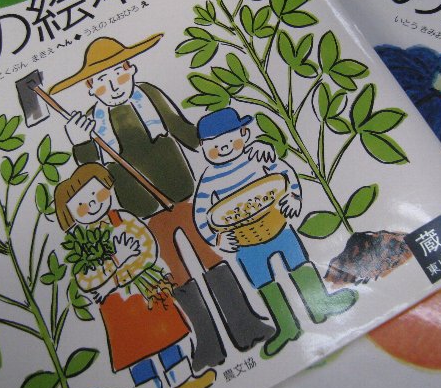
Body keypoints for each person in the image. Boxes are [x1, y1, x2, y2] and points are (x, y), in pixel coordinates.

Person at [49, 35, 274, 370]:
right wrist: (79, 144)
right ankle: (207, 344)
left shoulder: (150, 95)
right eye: (102, 80)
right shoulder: (91, 122)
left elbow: (183, 129)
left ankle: (246, 325)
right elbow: (93, 175)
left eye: (119, 73)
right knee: (175, 272)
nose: (114, 85)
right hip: (143, 212)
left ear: (131, 68)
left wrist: (226, 144)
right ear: (91, 88)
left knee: (210, 255)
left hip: (181, 193)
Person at [55, 163, 216, 388]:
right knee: (136, 351)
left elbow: (148, 250)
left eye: (96, 194)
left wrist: (114, 277)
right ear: (69, 215)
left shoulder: (124, 219)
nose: (93, 205)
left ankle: (183, 382)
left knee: (167, 338)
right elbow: (86, 279)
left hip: (146, 292)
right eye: (82, 205)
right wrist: (118, 262)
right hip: (118, 307)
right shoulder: (81, 243)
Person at [193, 108, 358, 358]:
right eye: (215, 146)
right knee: (263, 282)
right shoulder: (208, 180)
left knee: (298, 262)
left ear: (244, 133)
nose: (224, 148)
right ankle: (286, 326)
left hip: (278, 226)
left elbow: (285, 172)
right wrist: (217, 238)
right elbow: (200, 214)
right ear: (203, 148)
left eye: (229, 140)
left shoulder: (258, 155)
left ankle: (321, 304)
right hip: (245, 243)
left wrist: (293, 196)